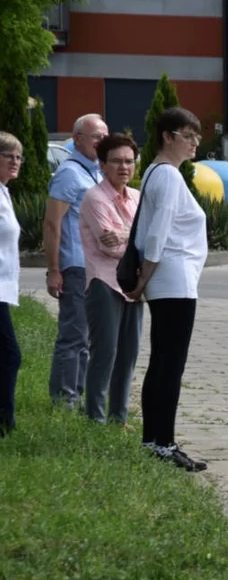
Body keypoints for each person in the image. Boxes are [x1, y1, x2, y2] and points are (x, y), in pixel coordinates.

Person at [130, 107, 208, 472]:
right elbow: (158, 231)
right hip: (173, 277)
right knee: (170, 364)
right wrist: (144, 276)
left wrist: (147, 277)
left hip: (170, 277)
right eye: (188, 136)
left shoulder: (155, 173)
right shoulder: (170, 177)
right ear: (167, 137)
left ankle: (152, 439)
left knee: (161, 360)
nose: (194, 143)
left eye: (197, 137)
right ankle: (165, 443)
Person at [80, 133, 144, 426]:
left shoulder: (138, 198)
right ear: (102, 165)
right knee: (106, 353)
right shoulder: (95, 198)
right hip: (104, 283)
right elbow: (109, 246)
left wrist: (126, 235)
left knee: (128, 355)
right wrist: (134, 238)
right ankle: (95, 417)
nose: (124, 167)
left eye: (129, 161)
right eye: (116, 161)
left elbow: (151, 241)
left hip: (134, 286)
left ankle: (118, 419)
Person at [45, 113, 107, 408]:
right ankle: (64, 399)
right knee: (73, 335)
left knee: (87, 336)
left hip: (92, 267)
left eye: (105, 136)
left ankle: (76, 394)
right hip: (74, 265)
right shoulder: (70, 173)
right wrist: (54, 270)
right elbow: (52, 223)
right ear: (78, 139)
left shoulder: (94, 171)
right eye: (96, 136)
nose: (102, 141)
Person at [0, 132, 23, 436]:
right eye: (8, 155)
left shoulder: (4, 191)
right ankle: (5, 422)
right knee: (10, 354)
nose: (15, 161)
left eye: (19, 156)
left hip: (2, 289)